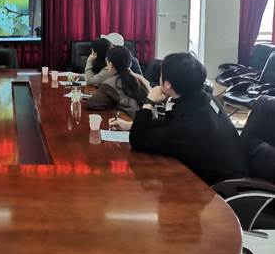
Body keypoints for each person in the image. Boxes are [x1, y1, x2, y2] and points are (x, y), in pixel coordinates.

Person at [110, 52, 247, 185]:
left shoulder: (187, 126)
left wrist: (149, 101)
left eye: (161, 74)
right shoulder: (204, 98)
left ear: (168, 84)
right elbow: (170, 123)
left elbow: (138, 140)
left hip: (218, 188)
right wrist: (130, 125)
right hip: (224, 170)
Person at [85, 46, 151, 118]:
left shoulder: (110, 84)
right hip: (151, 121)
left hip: (134, 123)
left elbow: (91, 104)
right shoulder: (139, 79)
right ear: (130, 64)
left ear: (110, 64)